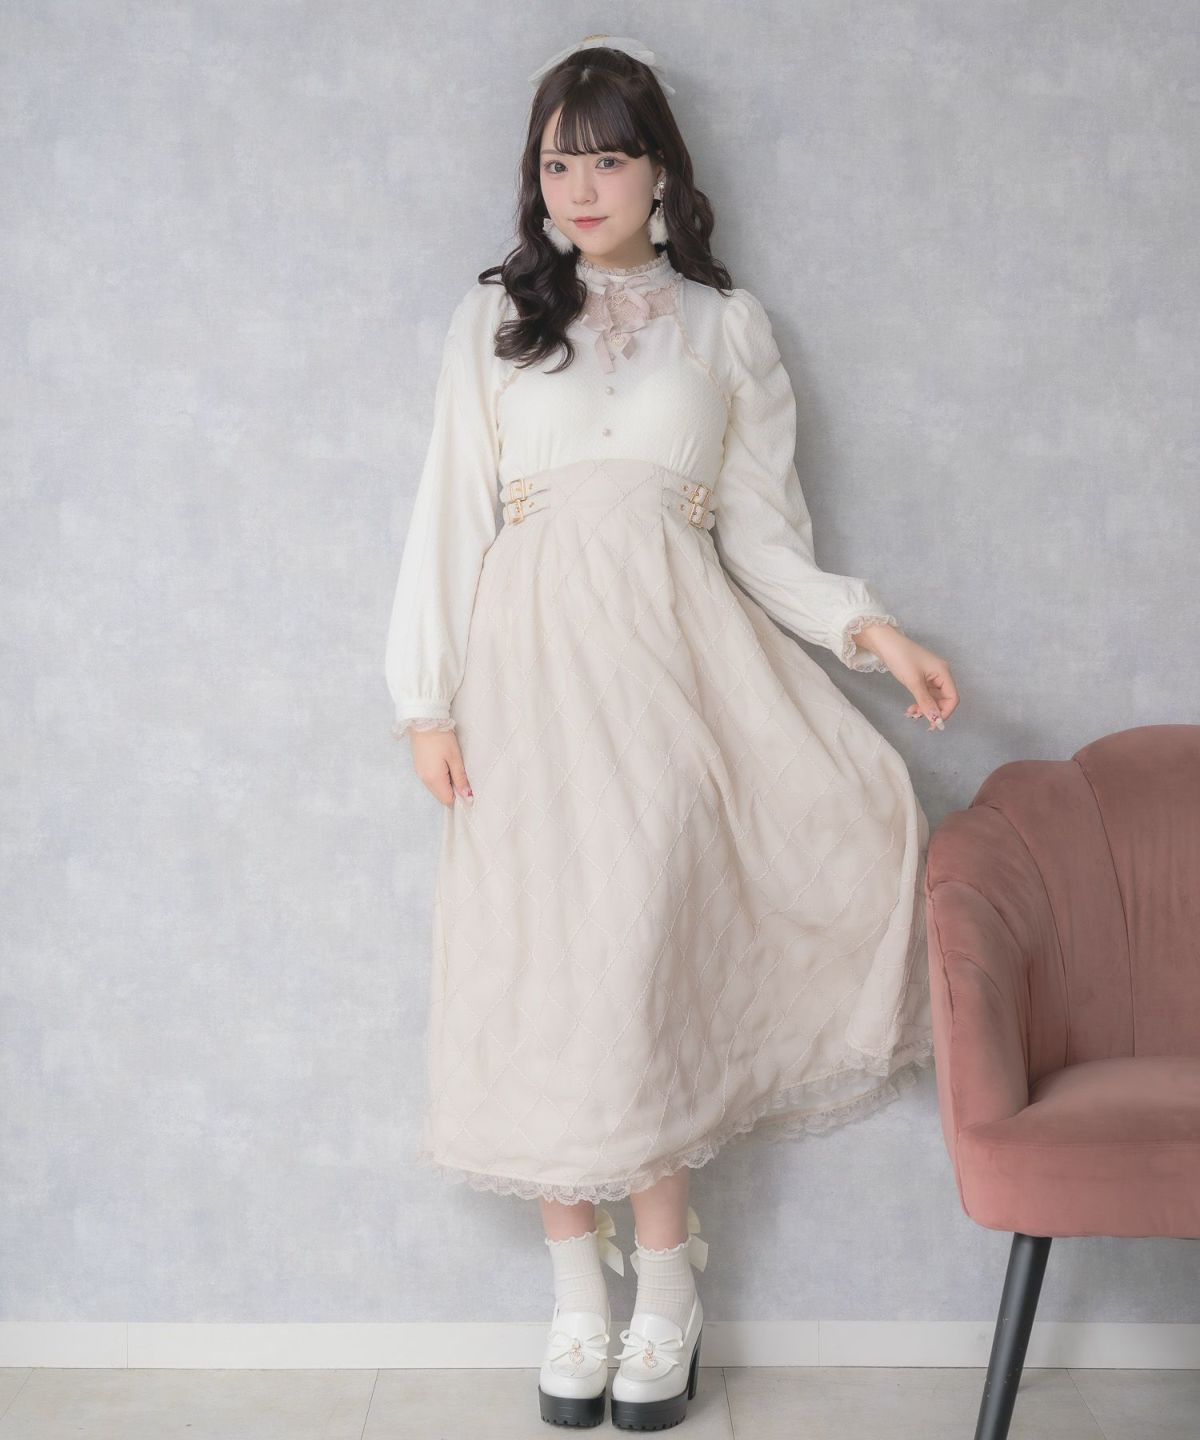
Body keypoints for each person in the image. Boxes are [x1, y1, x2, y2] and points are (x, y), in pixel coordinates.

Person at [384, 34, 959, 1431]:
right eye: (557, 163)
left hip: (670, 684)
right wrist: (424, 699)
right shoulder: (495, 318)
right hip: (525, 690)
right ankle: (575, 1304)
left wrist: (866, 629)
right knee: (544, 977)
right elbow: (450, 507)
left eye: (608, 158)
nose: (580, 188)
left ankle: (667, 1297)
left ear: (661, 172)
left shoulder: (728, 327)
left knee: (641, 972)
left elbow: (762, 536)